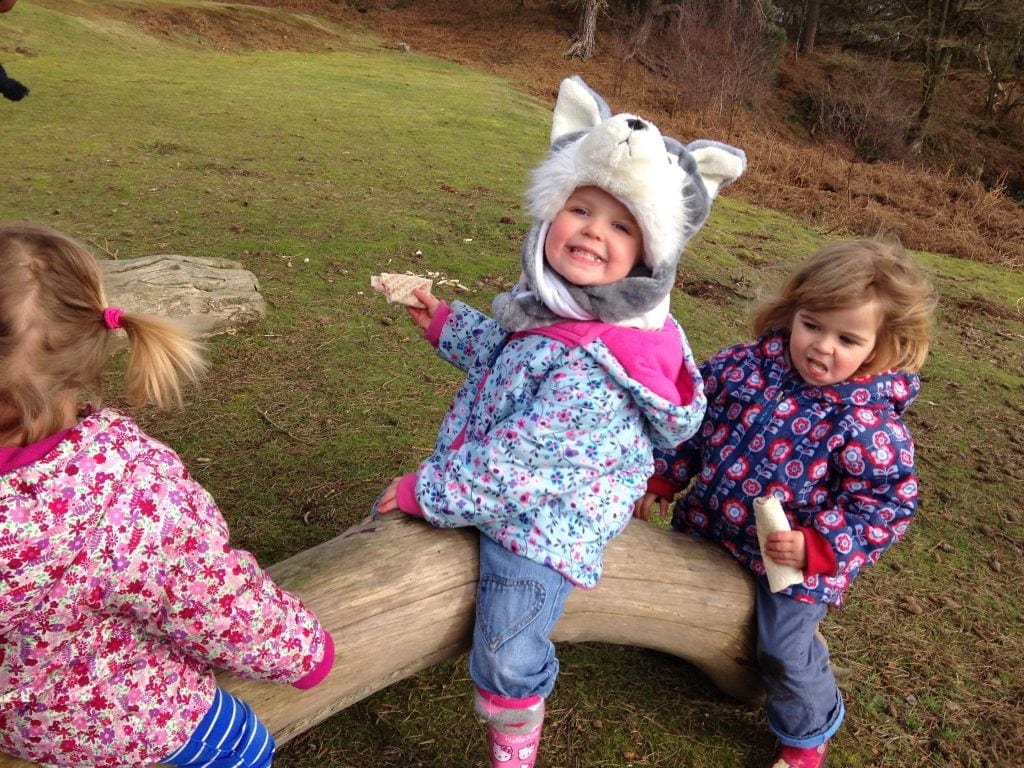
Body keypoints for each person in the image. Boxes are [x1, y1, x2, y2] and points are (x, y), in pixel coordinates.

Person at [373, 76, 745, 767]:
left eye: (622, 225)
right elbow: (515, 356)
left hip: (548, 518)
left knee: (506, 644)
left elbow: (522, 467)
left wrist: (421, 491)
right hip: (513, 482)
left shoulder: (601, 363)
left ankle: (516, 727)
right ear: (552, 212)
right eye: (581, 208)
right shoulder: (566, 310)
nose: (593, 232)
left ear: (648, 256)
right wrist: (445, 323)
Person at [0, 223, 334, 768]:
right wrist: (304, 652)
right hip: (115, 719)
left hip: (13, 720)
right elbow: (216, 598)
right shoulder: (127, 491)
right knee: (243, 744)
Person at [638, 238, 936, 768]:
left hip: (792, 567)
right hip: (709, 525)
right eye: (812, 325)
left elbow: (886, 506)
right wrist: (664, 478)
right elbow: (694, 428)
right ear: (791, 312)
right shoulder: (743, 368)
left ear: (880, 348)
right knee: (664, 584)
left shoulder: (870, 423)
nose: (822, 347)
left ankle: (807, 731)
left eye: (847, 338)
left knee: (782, 650)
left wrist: (817, 545)